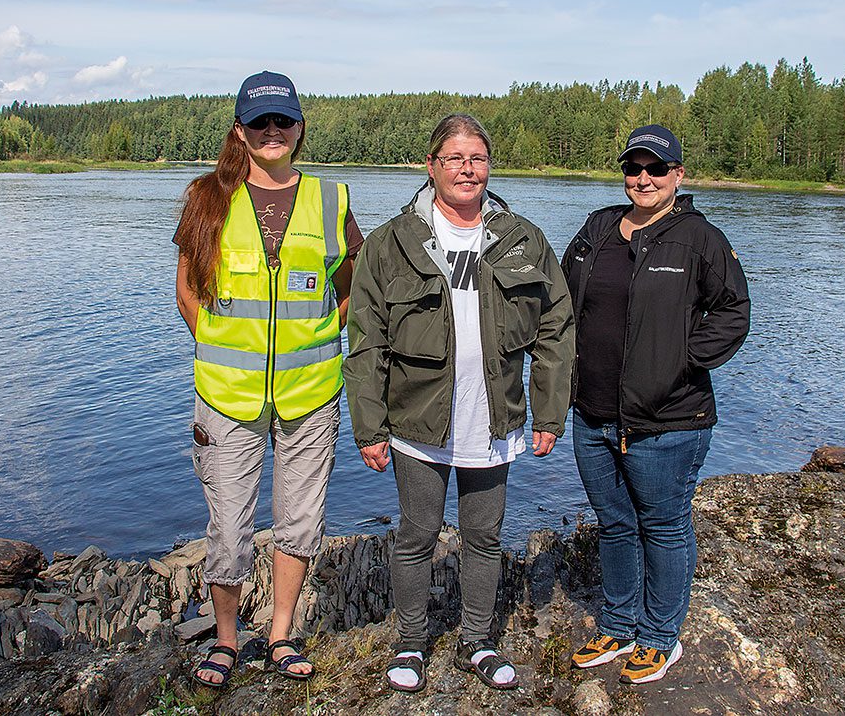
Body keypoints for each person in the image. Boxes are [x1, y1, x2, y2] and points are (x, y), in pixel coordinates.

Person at [343, 114, 574, 693]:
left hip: (492, 419)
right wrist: (368, 425)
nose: (467, 169)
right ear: (432, 167)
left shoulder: (523, 239)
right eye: (455, 158)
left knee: (485, 536)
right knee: (416, 534)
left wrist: (549, 414)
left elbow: (556, 327)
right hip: (416, 421)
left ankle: (477, 640)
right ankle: (411, 641)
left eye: (477, 159)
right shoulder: (391, 243)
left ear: (487, 168)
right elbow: (366, 341)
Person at [173, 71, 363, 687]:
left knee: (300, 521)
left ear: (300, 127)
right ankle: (226, 641)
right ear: (241, 130)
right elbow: (186, 290)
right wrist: (222, 346)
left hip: (311, 393)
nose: (273, 131)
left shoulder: (332, 199)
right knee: (228, 526)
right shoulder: (207, 197)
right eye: (260, 122)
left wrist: (319, 338)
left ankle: (279, 636)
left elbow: (350, 283)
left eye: (283, 120)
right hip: (226, 395)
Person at [561, 124, 750, 683]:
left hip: (668, 419)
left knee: (664, 525)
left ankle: (661, 637)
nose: (642, 179)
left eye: (656, 169)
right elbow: (559, 299)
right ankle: (619, 625)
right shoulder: (597, 228)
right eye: (633, 168)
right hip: (593, 413)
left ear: (677, 176)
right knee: (615, 522)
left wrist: (682, 358)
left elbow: (733, 312)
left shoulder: (699, 238)